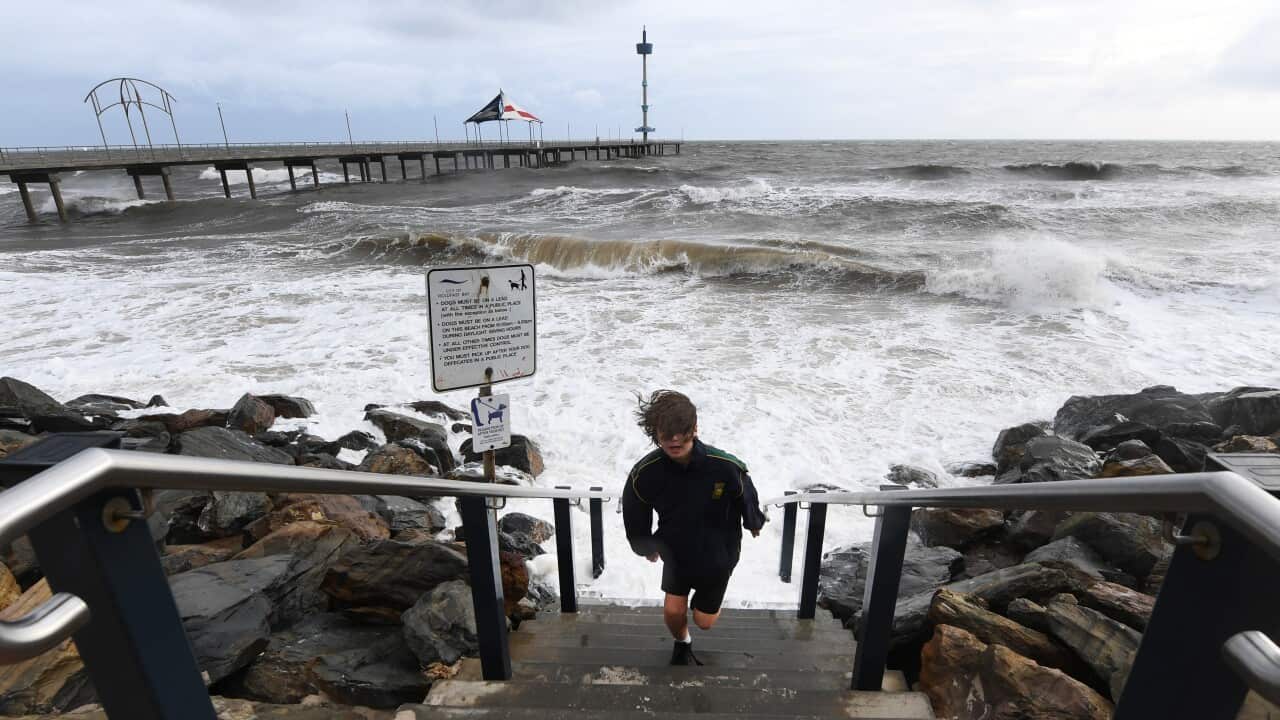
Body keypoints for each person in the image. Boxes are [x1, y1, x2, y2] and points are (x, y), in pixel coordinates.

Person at [622, 390, 767, 666]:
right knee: (673, 612)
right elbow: (634, 507)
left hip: (718, 554)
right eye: (667, 433)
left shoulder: (724, 466)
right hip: (676, 551)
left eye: (682, 432)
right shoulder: (646, 472)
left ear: (695, 429)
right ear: (656, 432)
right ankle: (682, 642)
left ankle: (703, 603)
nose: (675, 439)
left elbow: (745, 493)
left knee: (704, 620)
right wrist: (645, 545)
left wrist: (753, 521)